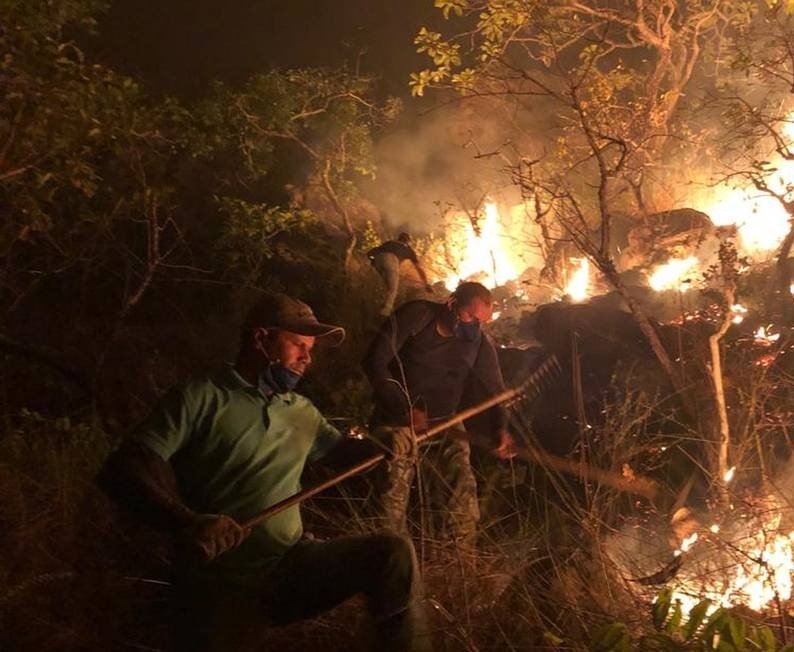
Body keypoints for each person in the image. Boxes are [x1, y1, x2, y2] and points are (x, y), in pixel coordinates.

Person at [98, 293, 427, 651]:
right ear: (261, 339)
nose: (307, 358)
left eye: (311, 349)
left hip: (291, 565)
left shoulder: (301, 410)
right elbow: (127, 466)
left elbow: (343, 454)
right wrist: (187, 521)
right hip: (221, 582)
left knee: (392, 553)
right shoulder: (201, 397)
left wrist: (383, 442)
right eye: (298, 345)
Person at [363, 282, 514, 548]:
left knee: (462, 507)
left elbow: (496, 392)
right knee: (388, 511)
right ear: (451, 303)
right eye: (469, 316)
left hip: (446, 427)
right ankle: (391, 560)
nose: (473, 326)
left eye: (481, 322)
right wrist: (402, 408)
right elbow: (375, 361)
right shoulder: (418, 316)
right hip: (398, 426)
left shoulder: (478, 342)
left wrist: (500, 427)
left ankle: (457, 566)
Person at [368, 232, 432, 317]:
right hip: (392, 261)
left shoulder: (389, 243)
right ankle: (385, 312)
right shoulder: (408, 249)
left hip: (378, 259)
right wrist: (426, 283)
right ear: (408, 241)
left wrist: (373, 261)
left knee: (385, 284)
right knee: (393, 289)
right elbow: (419, 269)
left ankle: (375, 302)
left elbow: (369, 253)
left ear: (399, 238)